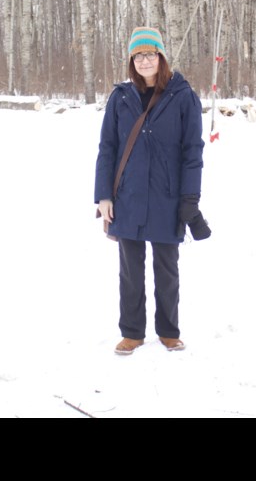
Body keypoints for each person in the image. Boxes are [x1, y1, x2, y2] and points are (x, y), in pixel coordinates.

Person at [95, 26, 210, 356]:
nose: (145, 60)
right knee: (130, 270)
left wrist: (190, 198)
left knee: (167, 268)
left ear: (161, 57)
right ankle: (132, 331)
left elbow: (193, 151)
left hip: (167, 197)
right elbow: (107, 147)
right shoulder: (120, 98)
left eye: (151, 54)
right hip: (128, 197)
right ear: (132, 61)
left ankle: (168, 330)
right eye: (139, 55)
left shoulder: (183, 96)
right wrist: (104, 196)